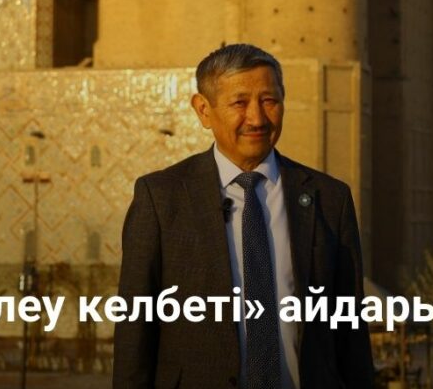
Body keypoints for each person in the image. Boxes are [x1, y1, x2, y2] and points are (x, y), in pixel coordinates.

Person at [114, 44, 374, 388]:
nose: (257, 118)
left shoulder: (329, 199)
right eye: (239, 103)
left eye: (269, 101)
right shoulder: (162, 198)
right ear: (203, 110)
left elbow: (350, 329)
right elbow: (135, 329)